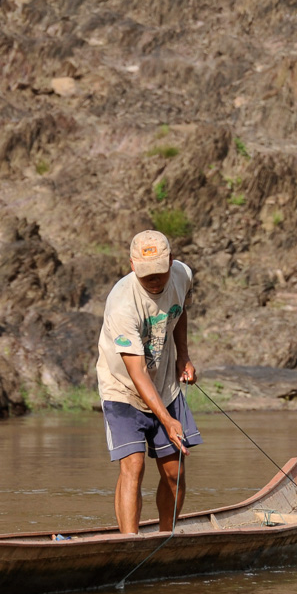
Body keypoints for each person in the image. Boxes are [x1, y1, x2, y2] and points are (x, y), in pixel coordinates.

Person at [96, 229, 201, 535]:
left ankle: (164, 539)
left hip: (166, 383)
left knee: (175, 471)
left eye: (159, 272)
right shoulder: (122, 304)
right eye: (146, 275)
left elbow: (179, 312)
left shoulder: (182, 275)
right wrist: (167, 420)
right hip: (123, 389)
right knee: (133, 467)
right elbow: (137, 371)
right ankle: (129, 543)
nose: (154, 281)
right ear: (132, 265)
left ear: (171, 261)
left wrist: (183, 356)